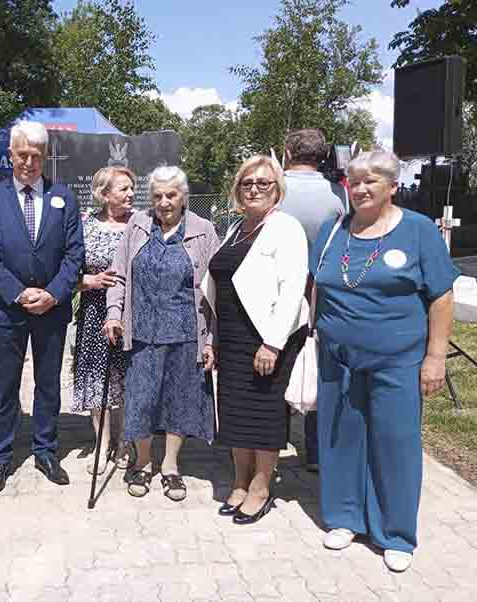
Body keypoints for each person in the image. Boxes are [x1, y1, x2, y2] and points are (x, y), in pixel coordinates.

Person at [312, 150, 458, 572]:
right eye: (353, 181)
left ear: (392, 186)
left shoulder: (417, 231)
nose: (359, 188)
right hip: (337, 357)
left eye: (370, 180)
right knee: (341, 439)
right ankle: (344, 517)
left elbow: (442, 296)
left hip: (398, 360)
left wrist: (435, 356)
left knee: (395, 443)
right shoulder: (332, 229)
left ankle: (395, 533)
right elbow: (315, 285)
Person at [0, 121, 84, 495]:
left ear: (46, 157)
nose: (29, 162)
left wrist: (53, 293)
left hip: (52, 311)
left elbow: (74, 254)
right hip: (7, 310)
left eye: (37, 155)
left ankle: (45, 450)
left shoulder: (64, 197)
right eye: (23, 155)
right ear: (10, 156)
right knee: (4, 387)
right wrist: (20, 294)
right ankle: (1, 456)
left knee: (48, 385)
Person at [104, 166, 219, 501]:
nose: (164, 202)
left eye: (171, 195)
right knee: (141, 400)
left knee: (179, 401)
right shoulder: (137, 226)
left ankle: (170, 465)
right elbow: (119, 276)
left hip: (186, 332)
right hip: (141, 333)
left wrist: (212, 340)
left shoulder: (202, 231)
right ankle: (142, 462)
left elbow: (214, 291)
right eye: (157, 196)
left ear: (184, 196)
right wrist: (114, 315)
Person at [208, 155, 308, 524]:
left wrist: (273, 343)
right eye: (247, 183)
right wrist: (214, 337)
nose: (253, 189)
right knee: (234, 414)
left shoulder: (286, 228)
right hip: (233, 337)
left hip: (266, 339)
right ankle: (239, 480)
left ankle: (262, 486)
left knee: (263, 415)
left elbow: (293, 288)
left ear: (277, 190)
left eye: (262, 183)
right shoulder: (237, 227)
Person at [279, 128, 348, 472]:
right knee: (317, 367)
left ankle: (272, 439)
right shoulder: (339, 194)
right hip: (322, 290)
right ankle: (317, 453)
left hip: (278, 290)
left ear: (287, 152)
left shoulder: (274, 188)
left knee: (276, 359)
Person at [71, 166, 135, 475]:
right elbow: (68, 271)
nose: (130, 194)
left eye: (131, 188)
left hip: (132, 314)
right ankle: (102, 441)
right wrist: (89, 281)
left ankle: (124, 441)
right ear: (104, 194)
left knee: (127, 379)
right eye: (123, 188)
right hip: (95, 312)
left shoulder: (141, 225)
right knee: (98, 377)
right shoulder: (85, 225)